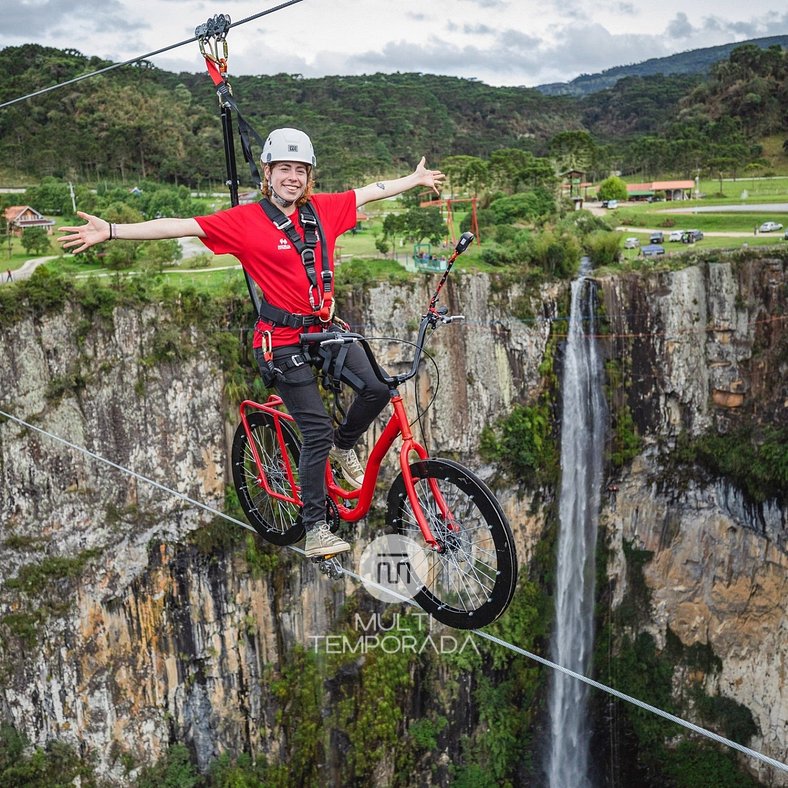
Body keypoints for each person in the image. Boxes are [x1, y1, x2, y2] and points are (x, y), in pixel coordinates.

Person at [59, 127, 445, 560]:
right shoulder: (245, 221)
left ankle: (343, 446)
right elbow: (178, 227)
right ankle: (316, 527)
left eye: (300, 170)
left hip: (323, 327)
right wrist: (111, 230)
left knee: (378, 387)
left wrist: (412, 181)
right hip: (281, 340)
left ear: (309, 176)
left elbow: (370, 191)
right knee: (314, 428)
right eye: (284, 169)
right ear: (268, 173)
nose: (293, 177)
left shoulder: (324, 209)